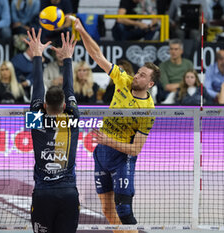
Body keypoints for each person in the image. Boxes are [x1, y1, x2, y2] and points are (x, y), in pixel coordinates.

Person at [74, 17, 160, 229]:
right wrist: (81, 29)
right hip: (102, 152)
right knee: (107, 209)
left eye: (141, 76)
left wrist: (109, 140)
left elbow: (136, 149)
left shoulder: (147, 110)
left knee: (123, 209)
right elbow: (97, 55)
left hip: (122, 158)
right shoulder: (123, 80)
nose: (136, 77)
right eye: (137, 72)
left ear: (149, 84)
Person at [24, 28, 80, 233]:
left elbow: (37, 88)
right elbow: (70, 89)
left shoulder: (36, 120)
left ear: (44, 106)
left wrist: (37, 55)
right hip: (68, 193)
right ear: (65, 106)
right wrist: (68, 59)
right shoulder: (73, 118)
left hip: (43, 194)